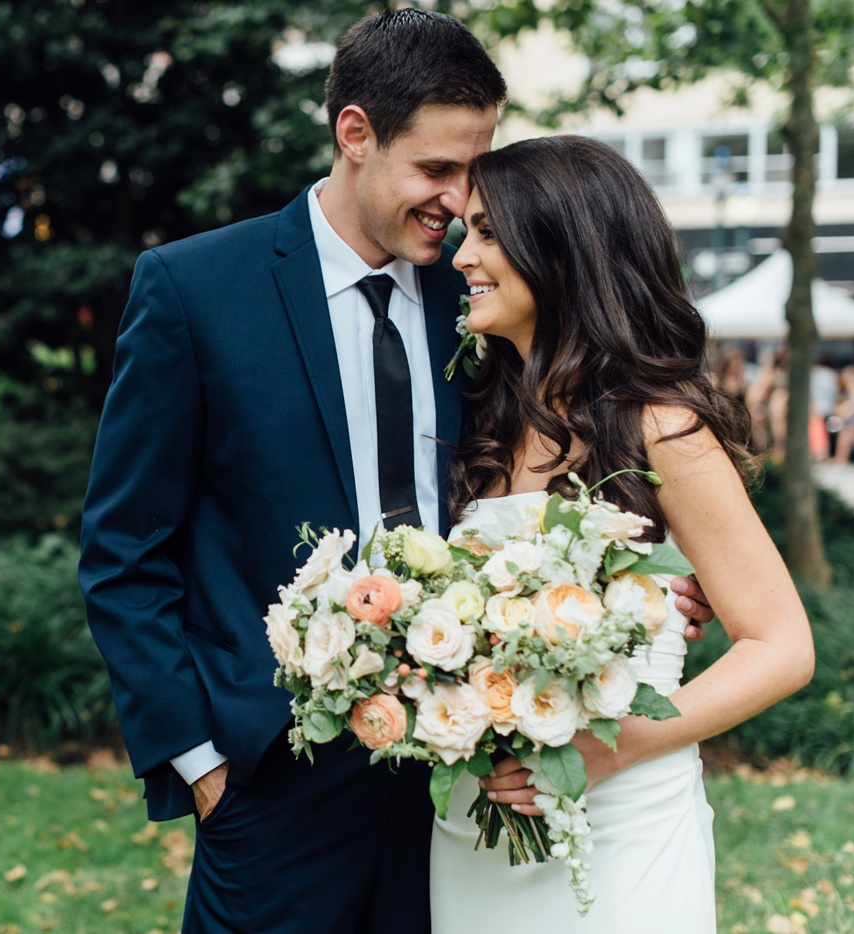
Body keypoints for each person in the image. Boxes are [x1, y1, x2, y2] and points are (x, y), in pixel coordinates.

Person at [81, 12, 714, 931]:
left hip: (467, 776)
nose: (461, 202)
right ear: (355, 134)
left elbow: (582, 440)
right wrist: (200, 763)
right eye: (437, 169)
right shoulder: (194, 290)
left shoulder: (489, 290)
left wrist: (647, 580)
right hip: (273, 780)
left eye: (475, 168)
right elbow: (123, 551)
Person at [435, 135, 814, 932]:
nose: (463, 254)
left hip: (624, 830)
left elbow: (781, 645)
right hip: (474, 836)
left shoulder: (660, 427)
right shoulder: (481, 423)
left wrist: (619, 747)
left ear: (563, 249)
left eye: (488, 232)